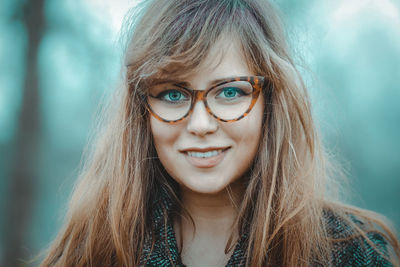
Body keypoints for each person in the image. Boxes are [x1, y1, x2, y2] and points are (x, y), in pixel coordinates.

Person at [40, 0, 400, 266]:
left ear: (270, 103)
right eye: (172, 94)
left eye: (230, 92)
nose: (200, 125)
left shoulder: (354, 253)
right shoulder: (88, 254)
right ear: (141, 111)